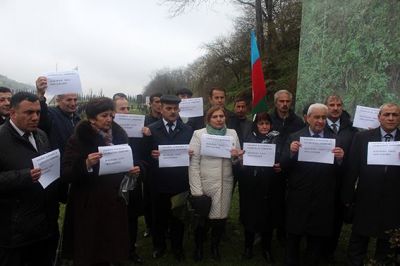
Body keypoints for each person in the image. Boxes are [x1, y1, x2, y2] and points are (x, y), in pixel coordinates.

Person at [61, 97, 140, 265]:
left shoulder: (120, 137)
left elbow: (129, 162)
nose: (109, 120)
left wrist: (133, 170)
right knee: (91, 247)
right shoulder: (78, 139)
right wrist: (86, 164)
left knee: (113, 243)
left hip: (114, 201)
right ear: (91, 119)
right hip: (89, 203)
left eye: (111, 115)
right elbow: (66, 172)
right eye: (104, 116)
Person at [281, 103, 344, 266]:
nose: (321, 121)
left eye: (324, 117)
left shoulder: (335, 139)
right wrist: (292, 153)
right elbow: (283, 166)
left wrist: (340, 159)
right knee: (293, 237)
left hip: (323, 197)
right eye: (317, 117)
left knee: (316, 238)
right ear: (307, 118)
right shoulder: (294, 137)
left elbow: (342, 172)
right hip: (299, 196)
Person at [342, 103, 400, 266]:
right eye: (387, 114)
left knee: (387, 243)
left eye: (395, 115)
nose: (390, 118)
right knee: (359, 240)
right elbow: (352, 169)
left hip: (394, 200)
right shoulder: (362, 138)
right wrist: (347, 198)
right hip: (366, 197)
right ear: (379, 117)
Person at [0, 92, 54, 265]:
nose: (35, 117)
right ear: (12, 113)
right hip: (13, 230)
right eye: (29, 112)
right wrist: (24, 176)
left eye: (37, 112)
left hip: (43, 223)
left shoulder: (41, 135)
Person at [189, 106, 242, 262]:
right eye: (215, 117)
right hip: (205, 183)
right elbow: (194, 163)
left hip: (225, 183)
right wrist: (196, 190)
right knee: (201, 220)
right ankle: (198, 247)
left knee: (220, 219)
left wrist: (235, 157)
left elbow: (237, 159)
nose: (219, 119)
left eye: (221, 116)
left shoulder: (232, 134)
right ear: (208, 119)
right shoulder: (199, 134)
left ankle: (215, 247)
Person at [146, 95, 193, 261]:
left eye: (175, 109)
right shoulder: (151, 129)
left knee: (178, 217)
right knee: (159, 217)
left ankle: (177, 247)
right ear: (161, 109)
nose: (173, 112)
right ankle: (159, 246)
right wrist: (151, 155)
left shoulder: (187, 130)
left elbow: (192, 154)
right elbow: (144, 155)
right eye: (168, 108)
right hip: (158, 182)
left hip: (179, 182)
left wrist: (190, 154)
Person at [239, 112, 283, 263]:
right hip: (251, 185)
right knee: (250, 216)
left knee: (268, 218)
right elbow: (241, 164)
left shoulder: (278, 138)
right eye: (261, 123)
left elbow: (283, 158)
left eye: (267, 123)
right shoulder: (248, 139)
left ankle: (266, 248)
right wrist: (242, 163)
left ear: (271, 125)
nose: (264, 126)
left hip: (271, 185)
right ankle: (248, 247)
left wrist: (280, 165)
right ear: (256, 125)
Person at [323, 94, 358, 262]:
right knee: (320, 215)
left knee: (336, 219)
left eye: (339, 105)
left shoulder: (352, 130)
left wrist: (343, 158)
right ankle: (315, 248)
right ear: (326, 107)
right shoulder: (318, 125)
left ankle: (330, 251)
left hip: (341, 181)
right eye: (331, 105)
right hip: (320, 181)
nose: (336, 108)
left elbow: (355, 159)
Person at [113, 95, 144, 264]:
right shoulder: (107, 132)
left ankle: (131, 249)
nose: (126, 112)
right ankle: (115, 250)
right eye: (122, 109)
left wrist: (139, 167)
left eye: (128, 108)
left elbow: (142, 156)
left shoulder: (137, 131)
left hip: (133, 181)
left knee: (131, 218)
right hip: (113, 184)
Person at [36, 76, 80, 154]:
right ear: (58, 100)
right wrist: (40, 95)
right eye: (69, 100)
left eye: (75, 100)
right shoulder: (51, 115)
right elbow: (41, 117)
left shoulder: (77, 119)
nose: (73, 103)